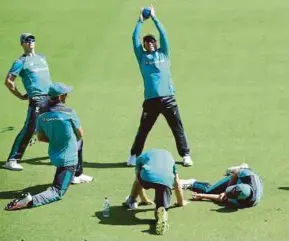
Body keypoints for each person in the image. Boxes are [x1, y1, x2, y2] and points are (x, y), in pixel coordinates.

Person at [4, 83, 93, 211]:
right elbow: (80, 133)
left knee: (79, 143)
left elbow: (41, 138)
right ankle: (30, 201)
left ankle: (77, 175)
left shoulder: (42, 116)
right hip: (68, 161)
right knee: (57, 191)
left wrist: (57, 138)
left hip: (54, 156)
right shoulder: (69, 112)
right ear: (62, 97)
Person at [126, 5, 192, 167]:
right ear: (144, 45)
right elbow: (134, 39)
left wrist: (154, 18)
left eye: (152, 41)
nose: (150, 44)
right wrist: (140, 21)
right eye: (147, 42)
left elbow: (163, 34)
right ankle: (133, 155)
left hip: (168, 97)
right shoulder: (142, 57)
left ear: (156, 43)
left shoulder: (164, 53)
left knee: (177, 128)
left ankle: (186, 155)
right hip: (151, 100)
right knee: (143, 130)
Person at [2, 33, 52, 171]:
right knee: (29, 130)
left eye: (32, 40)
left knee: (56, 125)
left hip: (51, 97)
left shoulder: (42, 58)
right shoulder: (20, 62)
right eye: (27, 40)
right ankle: (12, 160)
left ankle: (58, 153)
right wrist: (19, 95)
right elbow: (8, 81)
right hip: (37, 99)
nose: (30, 42)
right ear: (22, 44)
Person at [124, 148, 188, 235]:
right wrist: (180, 202)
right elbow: (177, 183)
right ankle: (162, 216)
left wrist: (143, 198)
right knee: (160, 209)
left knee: (139, 177)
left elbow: (138, 181)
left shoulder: (141, 157)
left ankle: (132, 201)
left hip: (147, 177)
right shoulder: (170, 157)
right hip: (165, 181)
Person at [180, 164, 263, 208]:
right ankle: (241, 168)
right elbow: (236, 174)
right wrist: (227, 189)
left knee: (208, 191)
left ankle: (192, 183)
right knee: (212, 189)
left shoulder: (243, 203)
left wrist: (202, 196)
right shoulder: (247, 176)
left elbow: (221, 198)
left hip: (251, 182)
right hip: (245, 174)